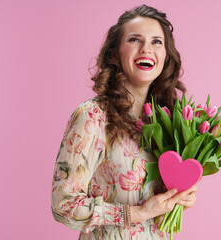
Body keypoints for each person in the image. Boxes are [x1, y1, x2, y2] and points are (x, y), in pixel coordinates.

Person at [51, 5, 198, 240]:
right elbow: (63, 205)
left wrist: (178, 199)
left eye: (156, 42)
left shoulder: (167, 122)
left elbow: (157, 205)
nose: (146, 49)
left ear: (166, 56)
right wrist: (135, 213)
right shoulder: (93, 116)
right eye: (134, 39)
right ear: (114, 54)